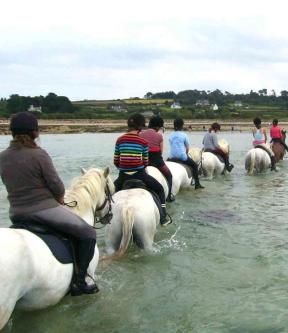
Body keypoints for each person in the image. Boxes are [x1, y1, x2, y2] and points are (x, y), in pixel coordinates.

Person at [0, 112, 98, 296]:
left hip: (16, 213)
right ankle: (79, 282)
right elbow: (56, 185)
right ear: (35, 133)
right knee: (88, 233)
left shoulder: (3, 156)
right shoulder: (39, 154)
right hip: (43, 210)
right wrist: (60, 198)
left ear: (11, 133)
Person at [114, 114, 169, 224]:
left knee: (110, 193)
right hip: (139, 175)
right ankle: (163, 216)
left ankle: (107, 215)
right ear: (141, 126)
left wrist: (124, 168)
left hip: (123, 176)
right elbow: (145, 162)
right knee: (160, 189)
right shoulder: (143, 142)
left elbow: (116, 161)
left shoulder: (119, 140)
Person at [139, 115, 175, 202]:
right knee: (169, 175)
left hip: (144, 161)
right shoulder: (159, 136)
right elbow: (161, 151)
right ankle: (169, 196)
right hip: (157, 161)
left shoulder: (140, 134)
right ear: (158, 126)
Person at [168, 118, 204, 189]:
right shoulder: (184, 135)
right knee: (194, 165)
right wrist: (186, 154)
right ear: (182, 126)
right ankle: (197, 184)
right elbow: (187, 148)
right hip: (182, 156)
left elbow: (172, 144)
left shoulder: (171, 135)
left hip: (171, 157)